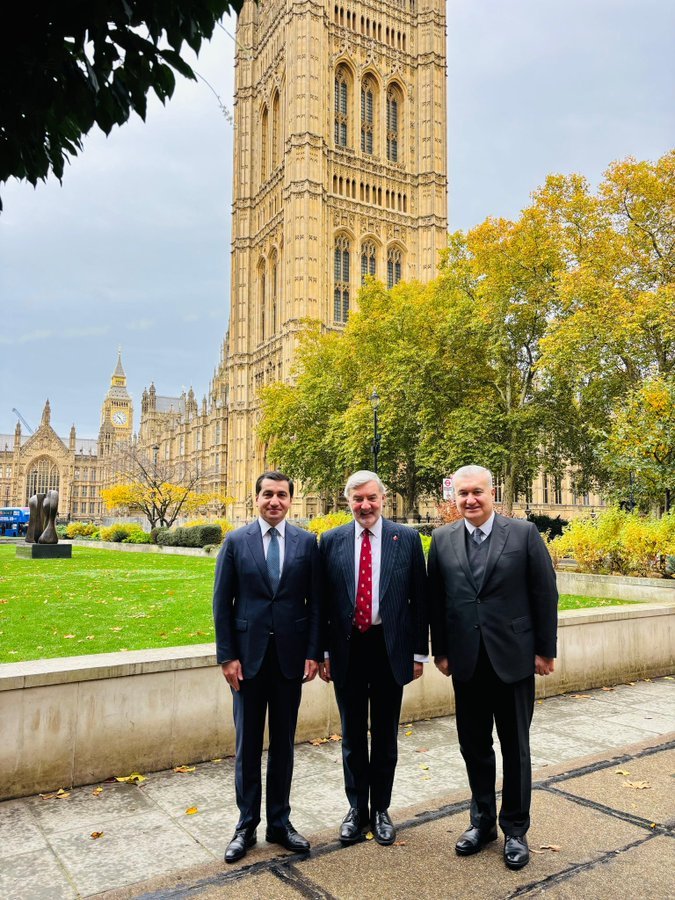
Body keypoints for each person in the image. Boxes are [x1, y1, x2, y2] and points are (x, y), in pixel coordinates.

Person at [428, 465, 558, 870]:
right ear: (454, 497)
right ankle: (482, 821)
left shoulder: (523, 534)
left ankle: (515, 829)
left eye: (477, 492)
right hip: (466, 661)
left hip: (514, 658)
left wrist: (545, 650)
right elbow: (437, 600)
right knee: (474, 746)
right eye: (462, 493)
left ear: (492, 493)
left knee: (515, 747)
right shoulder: (442, 539)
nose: (470, 499)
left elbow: (545, 593)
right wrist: (440, 651)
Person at [213, 471, 321, 863]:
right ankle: (246, 826)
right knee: (247, 746)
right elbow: (221, 602)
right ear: (256, 498)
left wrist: (313, 652)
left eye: (281, 495)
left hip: (290, 659)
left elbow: (316, 604)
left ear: (290, 499)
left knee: (283, 745)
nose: (274, 501)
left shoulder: (306, 543)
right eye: (268, 494)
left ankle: (279, 822)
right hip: (247, 660)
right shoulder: (236, 541)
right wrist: (227, 656)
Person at [319, 471, 428, 846]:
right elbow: (323, 603)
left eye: (371, 498)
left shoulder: (406, 539)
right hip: (348, 648)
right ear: (347, 501)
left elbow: (419, 601)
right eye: (357, 499)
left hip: (389, 647)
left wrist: (418, 654)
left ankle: (380, 809)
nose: (365, 505)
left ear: (383, 498)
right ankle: (356, 810)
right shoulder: (331, 540)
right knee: (351, 735)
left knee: (384, 735)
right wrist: (324, 652)